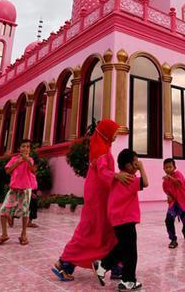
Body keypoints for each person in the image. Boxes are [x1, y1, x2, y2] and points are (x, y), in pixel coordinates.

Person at [52, 119, 131, 282]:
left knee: (106, 230)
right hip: (98, 197)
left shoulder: (102, 147)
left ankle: (116, 266)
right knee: (92, 230)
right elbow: (102, 172)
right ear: (107, 133)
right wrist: (117, 176)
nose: (116, 135)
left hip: (100, 194)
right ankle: (64, 262)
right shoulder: (102, 150)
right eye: (114, 132)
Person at [93, 149, 147, 291]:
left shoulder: (118, 178)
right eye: (135, 163)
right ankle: (128, 281)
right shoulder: (129, 179)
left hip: (118, 218)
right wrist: (142, 168)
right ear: (128, 166)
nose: (137, 165)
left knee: (123, 248)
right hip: (125, 219)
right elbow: (146, 183)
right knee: (131, 252)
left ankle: (102, 265)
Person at [0, 139, 36, 246]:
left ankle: (23, 234)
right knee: (3, 211)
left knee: (25, 213)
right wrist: (17, 162)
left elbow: (33, 170)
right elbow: (8, 171)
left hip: (25, 189)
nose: (25, 148)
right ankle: (4, 234)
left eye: (28, 147)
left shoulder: (30, 159)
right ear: (19, 148)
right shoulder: (13, 159)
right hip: (13, 189)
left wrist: (26, 160)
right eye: (23, 146)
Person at [163, 158, 185, 249]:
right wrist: (168, 196)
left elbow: (179, 183)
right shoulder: (165, 181)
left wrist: (170, 178)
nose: (168, 169)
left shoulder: (178, 174)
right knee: (168, 220)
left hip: (183, 202)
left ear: (174, 167)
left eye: (170, 167)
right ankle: (173, 239)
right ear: (163, 169)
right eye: (166, 167)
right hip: (173, 203)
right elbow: (166, 190)